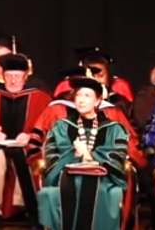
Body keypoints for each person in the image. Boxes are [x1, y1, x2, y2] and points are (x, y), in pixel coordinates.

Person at [37, 75, 128, 230]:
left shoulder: (114, 128)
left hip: (103, 180)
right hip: (66, 177)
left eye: (87, 96)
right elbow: (52, 158)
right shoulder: (61, 126)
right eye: (78, 95)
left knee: (98, 190)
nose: (81, 100)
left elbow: (117, 159)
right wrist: (75, 154)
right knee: (51, 193)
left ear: (98, 101)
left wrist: (89, 155)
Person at [0, 54, 52, 230]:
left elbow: (49, 127)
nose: (13, 80)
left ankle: (31, 211)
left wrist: (31, 137)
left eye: (17, 76)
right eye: (9, 76)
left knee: (27, 153)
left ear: (26, 76)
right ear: (2, 76)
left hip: (28, 146)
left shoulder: (41, 99)